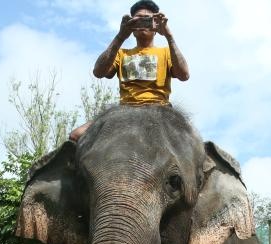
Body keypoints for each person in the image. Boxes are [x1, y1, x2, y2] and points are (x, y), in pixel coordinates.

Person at [69, 1, 190, 141]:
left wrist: (169, 36)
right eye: (138, 19)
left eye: (148, 19)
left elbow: (184, 75)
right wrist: (120, 36)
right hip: (124, 111)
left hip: (160, 109)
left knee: (191, 143)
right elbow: (98, 72)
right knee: (75, 135)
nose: (143, 22)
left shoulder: (166, 52)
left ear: (156, 25)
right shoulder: (121, 54)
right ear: (132, 26)